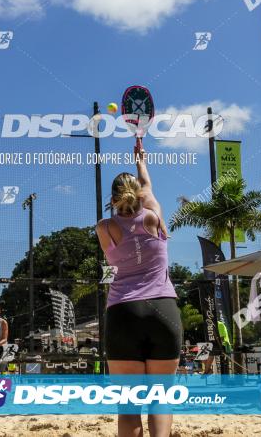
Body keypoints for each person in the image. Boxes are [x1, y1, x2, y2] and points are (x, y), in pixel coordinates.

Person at [96, 138, 181, 437]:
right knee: (160, 400)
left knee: (129, 407)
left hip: (123, 312)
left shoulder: (104, 228)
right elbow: (146, 185)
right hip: (163, 310)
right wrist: (141, 159)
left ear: (113, 196)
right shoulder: (154, 215)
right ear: (140, 194)